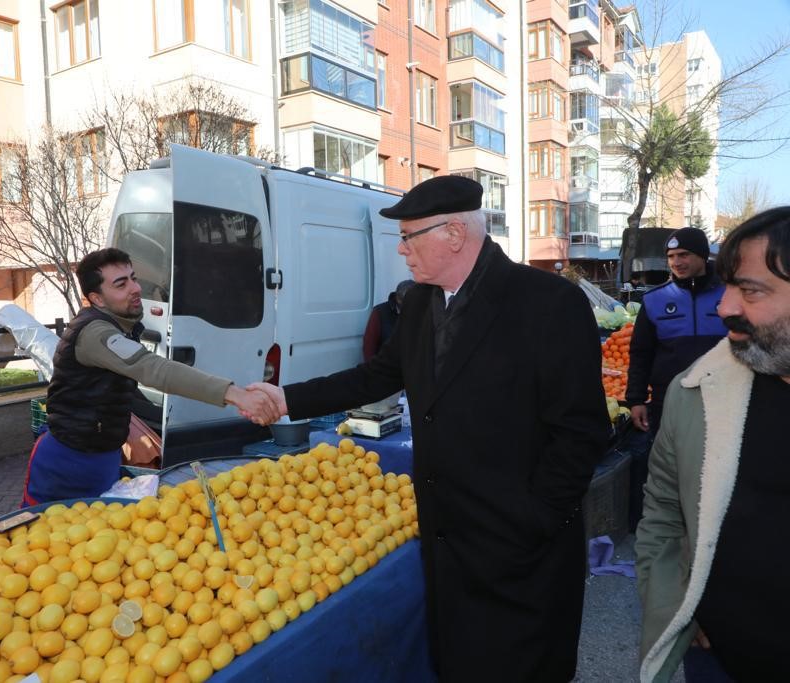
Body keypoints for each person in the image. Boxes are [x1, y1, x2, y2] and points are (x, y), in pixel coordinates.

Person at [245, 175, 610, 681]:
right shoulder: (418, 303)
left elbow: (581, 433)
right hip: (448, 544)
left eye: (410, 236)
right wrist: (286, 398)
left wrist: (534, 520)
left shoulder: (547, 303)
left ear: (454, 234)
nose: (401, 251)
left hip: (522, 553)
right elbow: (375, 376)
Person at [636, 207, 790, 682]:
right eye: (728, 287)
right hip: (717, 659)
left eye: (751, 290)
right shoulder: (695, 392)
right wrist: (677, 604)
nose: (726, 308)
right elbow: (662, 513)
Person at [22, 248, 277, 505]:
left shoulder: (118, 326)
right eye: (121, 284)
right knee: (41, 536)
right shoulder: (95, 333)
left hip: (103, 456)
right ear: (97, 299)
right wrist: (235, 394)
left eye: (133, 278)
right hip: (66, 462)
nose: (135, 288)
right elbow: (153, 368)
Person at [626, 227, 726, 434]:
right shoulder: (654, 299)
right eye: (671, 256)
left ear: (702, 255)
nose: (676, 262)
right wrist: (636, 400)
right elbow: (640, 353)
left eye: (684, 255)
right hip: (669, 399)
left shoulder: (731, 294)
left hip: (723, 396)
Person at [362, 279, 415, 360]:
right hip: (388, 368)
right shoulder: (380, 312)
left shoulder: (422, 311)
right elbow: (369, 345)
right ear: (398, 298)